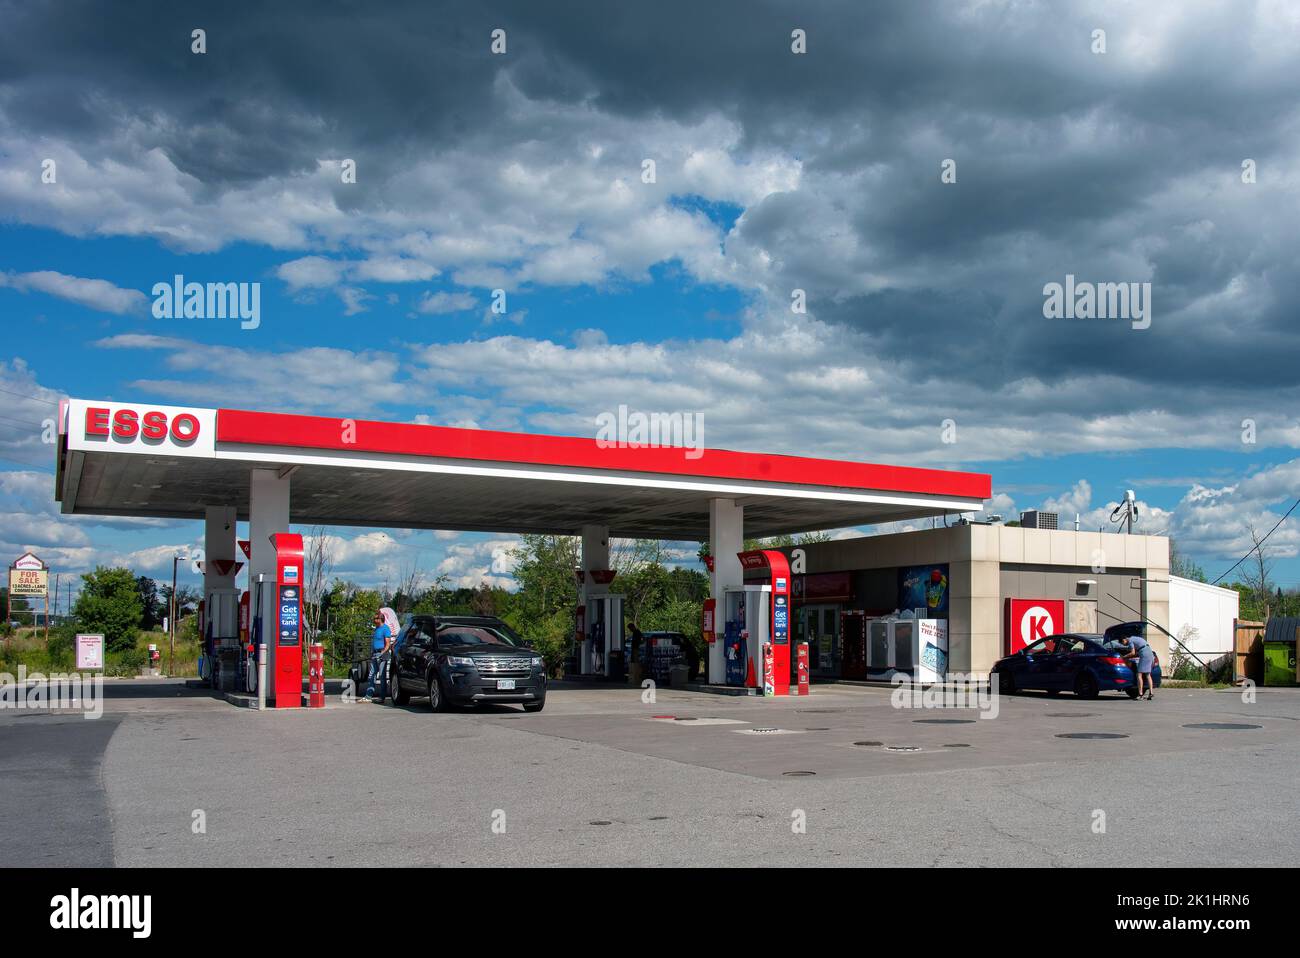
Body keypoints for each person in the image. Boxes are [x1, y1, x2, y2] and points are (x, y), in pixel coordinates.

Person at [364, 610, 393, 702]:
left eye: (375, 618)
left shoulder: (385, 629)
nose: (374, 619)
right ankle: (368, 696)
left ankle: (382, 697)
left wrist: (381, 654)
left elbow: (387, 644)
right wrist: (372, 653)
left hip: (382, 655)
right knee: (371, 675)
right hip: (374, 654)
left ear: (380, 619)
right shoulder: (376, 629)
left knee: (382, 676)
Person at [1118, 631, 1156, 700]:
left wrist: (1124, 657)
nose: (1124, 645)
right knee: (1148, 674)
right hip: (1149, 653)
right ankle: (1151, 693)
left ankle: (1140, 694)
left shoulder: (1130, 641)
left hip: (1144, 655)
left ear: (1124, 639)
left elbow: (1132, 653)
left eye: (1122, 643)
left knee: (1139, 674)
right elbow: (1137, 651)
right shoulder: (1135, 638)